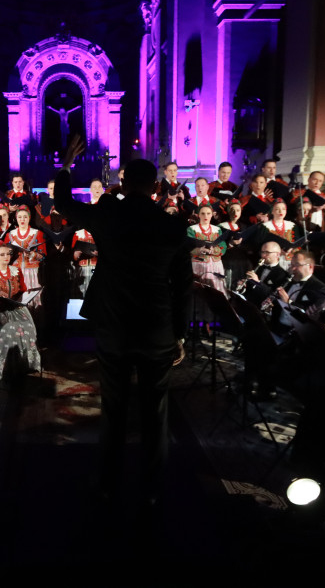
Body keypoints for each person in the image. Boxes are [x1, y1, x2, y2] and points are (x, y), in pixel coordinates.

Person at [54, 133, 193, 507]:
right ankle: (151, 488)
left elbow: (64, 203)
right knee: (155, 411)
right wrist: (180, 333)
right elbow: (183, 287)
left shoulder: (108, 213)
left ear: (123, 183)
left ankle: (107, 483)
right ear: (156, 186)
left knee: (114, 408)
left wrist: (67, 165)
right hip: (157, 327)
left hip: (114, 323)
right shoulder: (174, 227)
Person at [0, 244, 41, 379]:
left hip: (16, 309)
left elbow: (22, 290)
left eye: (8, 254)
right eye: (2, 254)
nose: (6, 257)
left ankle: (24, 365)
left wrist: (25, 297)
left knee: (27, 326)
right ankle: (3, 367)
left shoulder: (16, 271)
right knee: (11, 328)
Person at [189, 204, 227, 293]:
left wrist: (215, 250)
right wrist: (200, 250)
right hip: (199, 264)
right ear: (198, 215)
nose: (205, 216)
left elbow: (223, 246)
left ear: (212, 214)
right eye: (203, 213)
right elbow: (188, 247)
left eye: (208, 213)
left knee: (216, 291)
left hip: (215, 265)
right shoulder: (192, 229)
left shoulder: (217, 229)